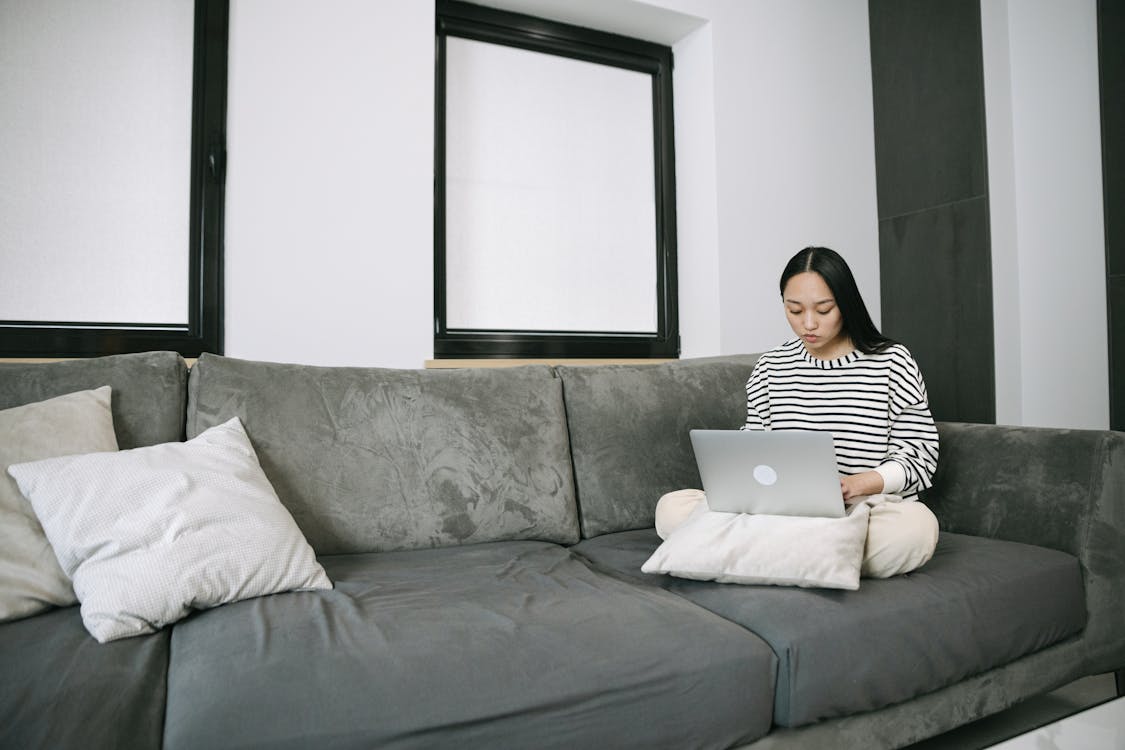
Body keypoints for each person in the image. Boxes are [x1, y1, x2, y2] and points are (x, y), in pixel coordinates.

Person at [655, 246, 940, 578]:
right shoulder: (770, 366)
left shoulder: (893, 361)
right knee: (671, 509)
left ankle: (752, 558)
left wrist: (857, 484)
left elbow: (919, 457)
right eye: (794, 310)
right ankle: (816, 561)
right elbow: (753, 448)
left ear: (846, 303)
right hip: (781, 512)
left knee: (915, 530)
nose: (808, 323)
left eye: (824, 309)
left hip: (861, 510)